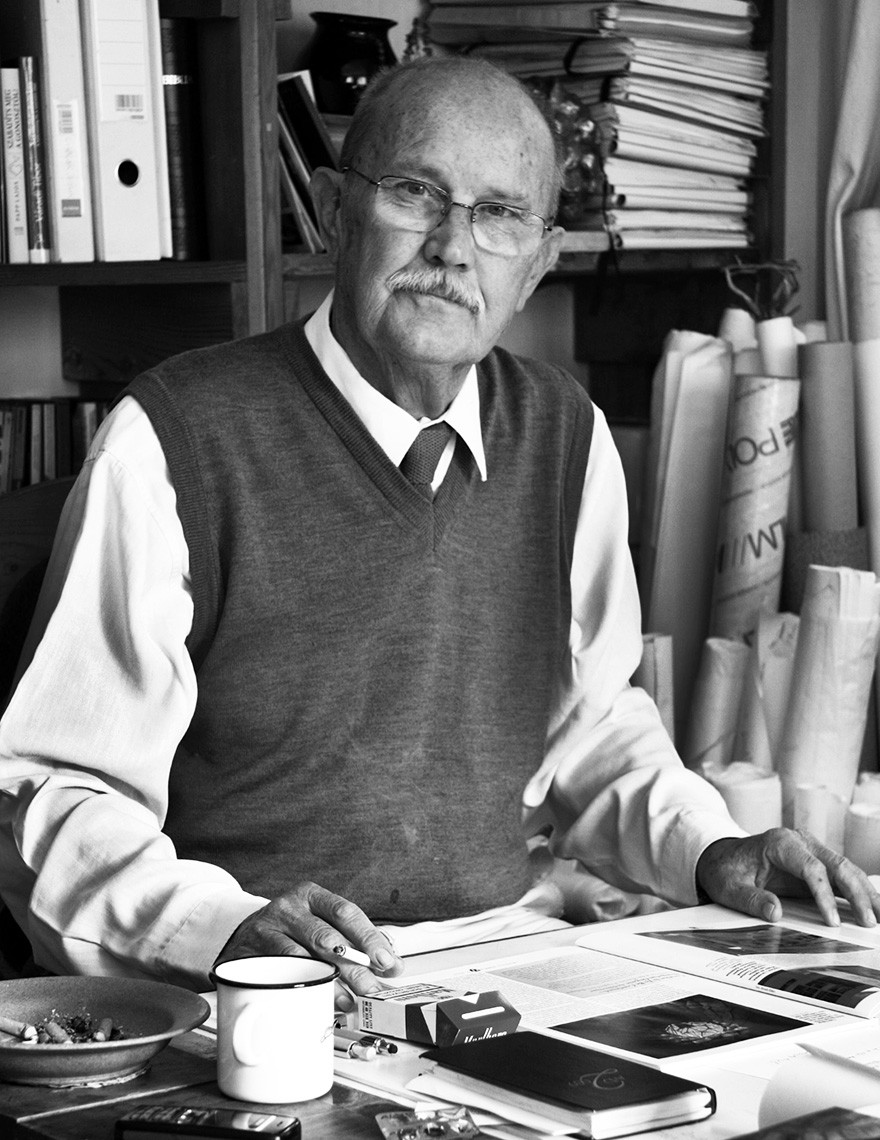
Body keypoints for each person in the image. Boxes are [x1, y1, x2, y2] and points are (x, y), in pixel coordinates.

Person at [0, 56, 877, 997]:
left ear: (538, 263)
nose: (454, 248)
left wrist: (710, 849)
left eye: (501, 214)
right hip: (258, 986)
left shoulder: (565, 434)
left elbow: (590, 726)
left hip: (507, 966)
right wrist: (224, 931)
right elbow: (57, 792)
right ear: (333, 211)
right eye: (415, 193)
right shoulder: (172, 441)